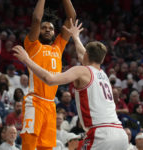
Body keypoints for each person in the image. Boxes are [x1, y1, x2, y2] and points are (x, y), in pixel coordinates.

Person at [12, 19, 128, 150]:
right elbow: (82, 54)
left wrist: (27, 59)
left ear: (87, 55)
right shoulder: (104, 75)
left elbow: (49, 79)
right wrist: (76, 37)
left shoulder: (81, 71)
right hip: (121, 134)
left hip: (101, 134)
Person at [17, 0, 76, 149]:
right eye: (44, 28)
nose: (48, 30)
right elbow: (36, 19)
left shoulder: (58, 47)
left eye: (50, 28)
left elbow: (72, 17)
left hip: (50, 105)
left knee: (47, 147)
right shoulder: (32, 46)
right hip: (34, 101)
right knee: (29, 144)